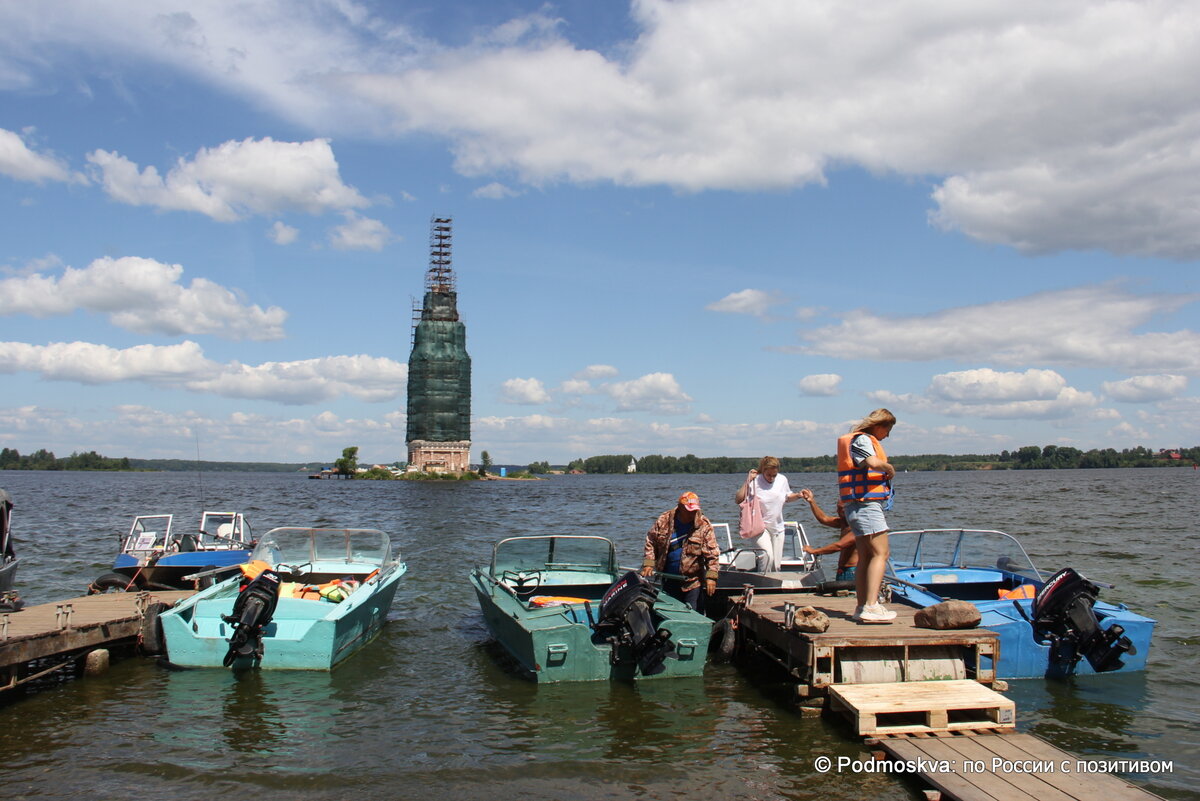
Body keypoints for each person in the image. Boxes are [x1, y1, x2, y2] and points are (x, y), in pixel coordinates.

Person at [837, 408, 898, 623]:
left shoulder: (858, 439)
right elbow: (870, 463)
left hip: (856, 506)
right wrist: (888, 467)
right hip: (866, 505)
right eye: (887, 430)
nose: (887, 435)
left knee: (866, 555)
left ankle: (862, 605)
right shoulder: (862, 440)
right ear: (879, 425)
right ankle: (871, 606)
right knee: (882, 553)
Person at [641, 491, 720, 612]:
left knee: (692, 614)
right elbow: (651, 541)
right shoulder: (664, 520)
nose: (692, 513)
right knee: (667, 613)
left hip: (692, 582)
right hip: (668, 579)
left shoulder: (704, 525)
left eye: (695, 510)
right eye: (689, 510)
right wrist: (649, 562)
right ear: (680, 507)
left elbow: (712, 554)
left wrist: (712, 577)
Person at [734, 456, 802, 571]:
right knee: (767, 556)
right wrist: (748, 480)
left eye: (774, 475)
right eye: (768, 475)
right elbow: (738, 499)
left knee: (776, 565)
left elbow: (787, 497)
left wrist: (799, 495)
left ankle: (773, 585)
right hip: (759, 527)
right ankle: (762, 583)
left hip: (777, 527)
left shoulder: (782, 480)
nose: (771, 478)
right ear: (763, 470)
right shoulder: (755, 481)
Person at [797, 488, 858, 582]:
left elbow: (838, 546)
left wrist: (814, 551)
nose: (839, 512)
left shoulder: (857, 526)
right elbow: (824, 519)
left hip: (853, 570)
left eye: (842, 509)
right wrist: (811, 501)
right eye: (838, 508)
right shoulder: (843, 522)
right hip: (842, 570)